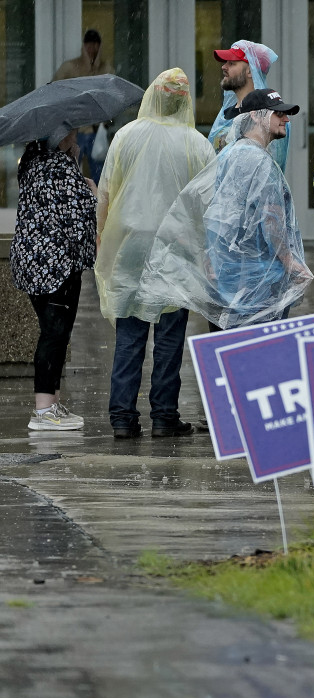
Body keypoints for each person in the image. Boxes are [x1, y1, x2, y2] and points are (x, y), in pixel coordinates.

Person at [95, 69, 215, 439]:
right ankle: (164, 417)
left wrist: (102, 239)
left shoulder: (126, 137)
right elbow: (212, 204)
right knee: (168, 336)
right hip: (174, 249)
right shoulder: (197, 144)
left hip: (130, 246)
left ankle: (122, 418)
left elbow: (105, 193)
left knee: (130, 333)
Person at [9, 128, 96, 431]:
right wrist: (90, 191)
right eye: (70, 130)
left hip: (32, 260)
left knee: (53, 333)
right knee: (54, 334)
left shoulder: (32, 160)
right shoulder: (57, 166)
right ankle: (44, 411)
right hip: (55, 264)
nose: (75, 133)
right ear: (59, 135)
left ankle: (51, 404)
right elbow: (77, 219)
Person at [204, 89, 311, 328]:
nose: (286, 119)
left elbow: (217, 213)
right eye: (278, 114)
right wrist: (289, 261)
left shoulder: (230, 154)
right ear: (255, 116)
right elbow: (270, 218)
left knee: (235, 352)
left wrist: (212, 257)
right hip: (259, 280)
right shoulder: (259, 162)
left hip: (233, 277)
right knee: (259, 354)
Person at [209, 40, 288, 171]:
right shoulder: (225, 113)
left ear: (250, 71)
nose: (224, 67)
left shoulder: (269, 117)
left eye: (231, 63)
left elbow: (269, 170)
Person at [52, 29, 113, 183]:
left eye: (95, 44)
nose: (91, 48)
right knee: (71, 173)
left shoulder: (105, 69)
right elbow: (54, 88)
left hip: (95, 130)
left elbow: (111, 96)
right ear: (84, 46)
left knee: (99, 174)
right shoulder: (71, 67)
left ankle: (99, 203)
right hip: (74, 130)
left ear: (99, 46)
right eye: (88, 44)